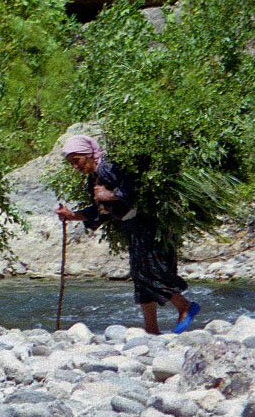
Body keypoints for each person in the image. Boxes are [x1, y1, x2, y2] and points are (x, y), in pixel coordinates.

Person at [54, 134, 201, 335]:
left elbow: (140, 190)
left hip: (149, 223)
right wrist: (71, 216)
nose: (75, 166)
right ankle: (151, 330)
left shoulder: (110, 167)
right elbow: (100, 211)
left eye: (77, 160)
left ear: (88, 154)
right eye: (71, 163)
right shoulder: (95, 178)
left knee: (150, 272)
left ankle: (185, 306)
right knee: (139, 277)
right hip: (133, 227)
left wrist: (110, 195)